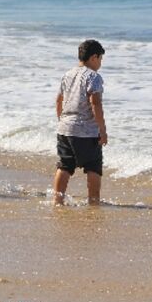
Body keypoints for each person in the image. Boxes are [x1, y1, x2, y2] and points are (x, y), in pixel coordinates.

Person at [52, 40, 108, 206]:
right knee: (93, 167)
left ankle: (57, 200)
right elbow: (95, 102)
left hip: (65, 128)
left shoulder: (68, 74)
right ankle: (93, 201)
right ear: (93, 57)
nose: (100, 63)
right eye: (100, 59)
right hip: (86, 131)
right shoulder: (94, 76)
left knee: (64, 166)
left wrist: (61, 120)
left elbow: (58, 100)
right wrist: (102, 130)